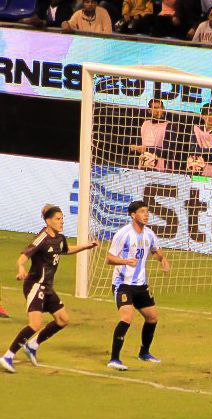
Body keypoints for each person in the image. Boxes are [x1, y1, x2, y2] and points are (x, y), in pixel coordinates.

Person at [1, 206, 97, 374]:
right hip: (35, 285)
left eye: (62, 218)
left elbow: (66, 249)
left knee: (63, 319)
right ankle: (8, 356)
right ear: (48, 221)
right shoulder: (42, 238)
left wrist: (86, 246)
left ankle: (32, 345)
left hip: (48, 287)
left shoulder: (59, 238)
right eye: (58, 219)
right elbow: (23, 256)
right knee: (35, 324)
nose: (62, 222)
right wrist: (21, 268)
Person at [105, 201, 171, 371]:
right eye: (142, 212)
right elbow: (109, 259)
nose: (146, 215)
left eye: (147, 212)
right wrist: (125, 261)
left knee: (152, 317)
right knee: (127, 317)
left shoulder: (149, 234)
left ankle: (144, 353)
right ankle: (114, 359)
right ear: (133, 215)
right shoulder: (123, 234)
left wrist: (162, 259)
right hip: (123, 284)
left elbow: (156, 251)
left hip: (141, 284)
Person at [129, 99, 172, 173]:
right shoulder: (144, 124)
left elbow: (169, 152)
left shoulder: (169, 126)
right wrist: (135, 148)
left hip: (160, 169)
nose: (157, 111)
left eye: (159, 108)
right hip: (143, 166)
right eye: (155, 108)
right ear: (149, 110)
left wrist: (147, 149)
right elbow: (139, 145)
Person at [187, 106, 212, 179]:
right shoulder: (196, 129)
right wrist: (211, 151)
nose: (210, 117)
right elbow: (192, 149)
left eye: (211, 115)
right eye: (207, 115)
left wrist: (201, 154)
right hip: (199, 171)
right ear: (202, 116)